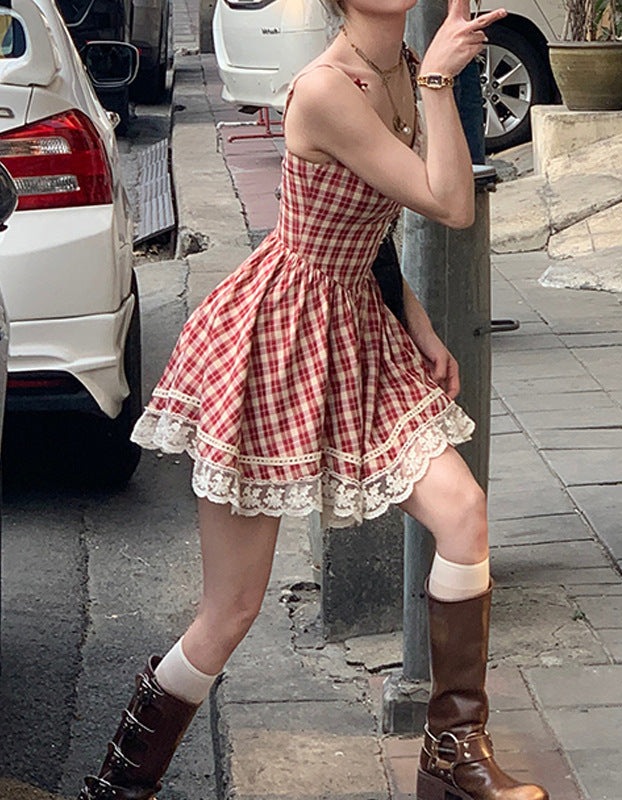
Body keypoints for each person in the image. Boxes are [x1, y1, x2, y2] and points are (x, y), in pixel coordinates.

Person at [76, 1, 549, 799]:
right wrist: (439, 79)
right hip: (275, 338)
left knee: (463, 514)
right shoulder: (326, 89)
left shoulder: (396, 66)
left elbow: (370, 225)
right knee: (230, 611)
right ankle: (119, 788)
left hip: (360, 321)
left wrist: (418, 320)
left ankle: (453, 748)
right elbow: (450, 205)